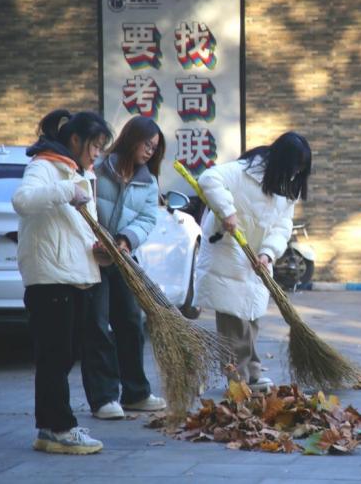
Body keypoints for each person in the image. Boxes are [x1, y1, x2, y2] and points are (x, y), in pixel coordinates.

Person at [12, 109, 112, 454]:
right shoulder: (44, 166)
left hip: (73, 274)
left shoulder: (77, 173)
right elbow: (23, 201)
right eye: (95, 146)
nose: (97, 153)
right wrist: (67, 189)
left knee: (64, 354)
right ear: (75, 140)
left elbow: (77, 229)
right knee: (55, 355)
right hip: (50, 276)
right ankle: (59, 427)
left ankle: (51, 427)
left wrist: (99, 251)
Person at [193, 132, 311, 392]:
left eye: (299, 170)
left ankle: (252, 374)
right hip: (228, 250)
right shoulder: (243, 171)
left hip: (256, 259)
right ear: (281, 161)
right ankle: (238, 380)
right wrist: (227, 211)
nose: (294, 175)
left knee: (251, 318)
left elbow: (283, 225)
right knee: (233, 322)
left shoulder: (288, 186)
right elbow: (208, 179)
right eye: (293, 168)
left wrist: (268, 252)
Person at [82, 116, 167, 420]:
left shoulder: (148, 181)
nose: (149, 151)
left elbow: (146, 220)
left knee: (130, 322)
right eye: (147, 144)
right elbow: (84, 206)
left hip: (123, 258)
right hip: (92, 258)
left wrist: (124, 240)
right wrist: (97, 239)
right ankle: (104, 398)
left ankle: (136, 393)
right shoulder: (99, 168)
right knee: (97, 325)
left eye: (155, 148)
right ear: (132, 139)